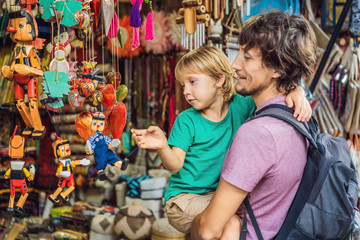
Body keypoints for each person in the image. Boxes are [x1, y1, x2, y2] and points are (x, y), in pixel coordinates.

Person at [131, 45, 311, 238]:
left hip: (214, 196)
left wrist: (297, 91)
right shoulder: (186, 120)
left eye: (193, 82)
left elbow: (272, 96)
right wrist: (162, 146)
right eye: (183, 85)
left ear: (219, 79)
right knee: (231, 222)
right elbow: (175, 165)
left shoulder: (241, 106)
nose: (186, 91)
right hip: (184, 200)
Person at [191, 12, 317, 240]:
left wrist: (191, 225)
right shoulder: (299, 115)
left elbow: (208, 230)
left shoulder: (259, 133)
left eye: (247, 57)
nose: (234, 64)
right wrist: (295, 88)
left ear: (277, 68)